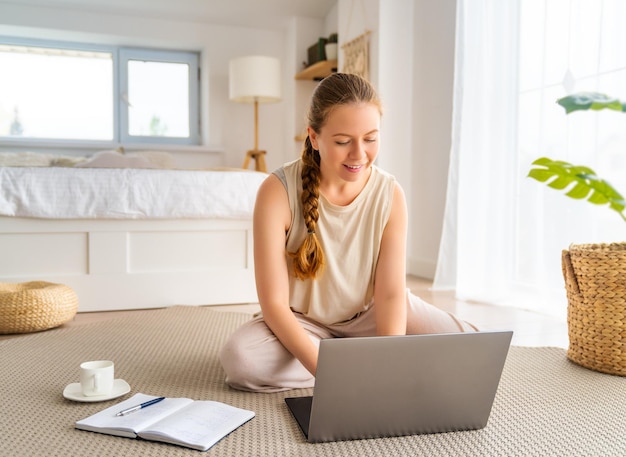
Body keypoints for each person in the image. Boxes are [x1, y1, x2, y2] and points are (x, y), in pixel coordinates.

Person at [219, 73, 477, 392]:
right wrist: (327, 371)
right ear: (314, 138)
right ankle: (351, 360)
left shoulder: (390, 193)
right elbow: (273, 303)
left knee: (472, 349)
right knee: (242, 361)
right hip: (304, 323)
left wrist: (389, 360)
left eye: (370, 138)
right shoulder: (276, 191)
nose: (359, 154)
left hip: (372, 315)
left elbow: (391, 294)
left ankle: (363, 357)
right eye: (343, 141)